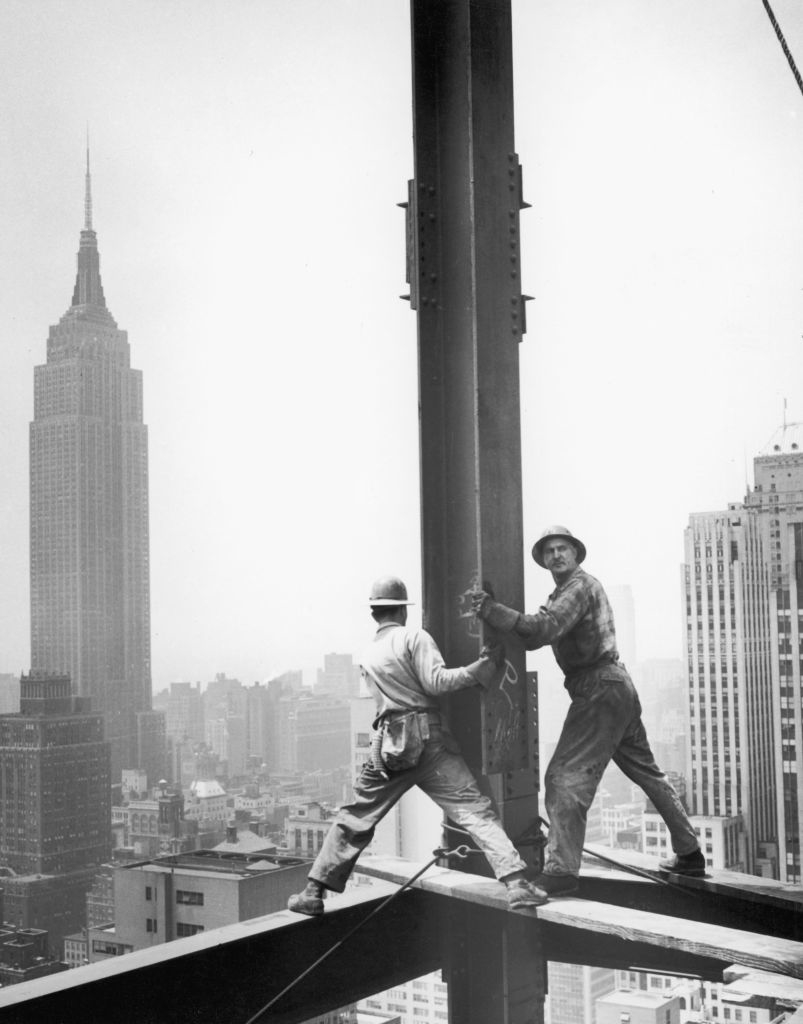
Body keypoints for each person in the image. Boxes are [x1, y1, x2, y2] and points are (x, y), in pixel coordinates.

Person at [287, 575, 548, 915]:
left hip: (389, 746)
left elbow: (381, 705)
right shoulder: (413, 637)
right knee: (474, 810)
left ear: (374, 613)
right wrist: (481, 668)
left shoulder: (367, 654)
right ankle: (516, 884)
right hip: (429, 741)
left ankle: (312, 892)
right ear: (402, 610)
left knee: (355, 815)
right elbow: (436, 682)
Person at [471, 526, 705, 896]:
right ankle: (689, 852)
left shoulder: (579, 587)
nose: (557, 555)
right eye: (549, 551)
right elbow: (535, 634)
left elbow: (540, 630)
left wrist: (488, 609)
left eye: (563, 548)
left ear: (576, 554)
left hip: (598, 689)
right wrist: (507, 621)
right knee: (648, 773)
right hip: (616, 688)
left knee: (563, 778)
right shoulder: (567, 592)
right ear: (544, 560)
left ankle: (561, 873)